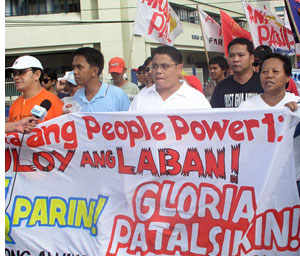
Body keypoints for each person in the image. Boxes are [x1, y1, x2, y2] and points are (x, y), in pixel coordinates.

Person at [239, 53, 300, 190]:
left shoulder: (297, 104)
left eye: (275, 71)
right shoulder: (246, 107)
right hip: (258, 182)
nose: (269, 75)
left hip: (293, 183)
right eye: (264, 72)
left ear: (288, 77)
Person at [129, 45, 211, 111]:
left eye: (165, 66)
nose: (158, 71)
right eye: (154, 66)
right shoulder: (140, 98)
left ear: (179, 68)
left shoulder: (196, 100)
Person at [6, 55, 63, 122]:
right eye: (14, 73)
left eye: (22, 72)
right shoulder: (15, 105)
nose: (16, 77)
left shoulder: (54, 102)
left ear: (37, 74)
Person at [72, 47, 130, 112]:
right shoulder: (76, 97)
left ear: (94, 71)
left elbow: (128, 120)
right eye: (73, 67)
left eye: (79, 67)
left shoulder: (118, 96)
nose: (75, 72)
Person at [210, 38, 264, 108]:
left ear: (251, 58)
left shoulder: (264, 83)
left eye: (240, 55)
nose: (235, 59)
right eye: (231, 56)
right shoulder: (221, 87)